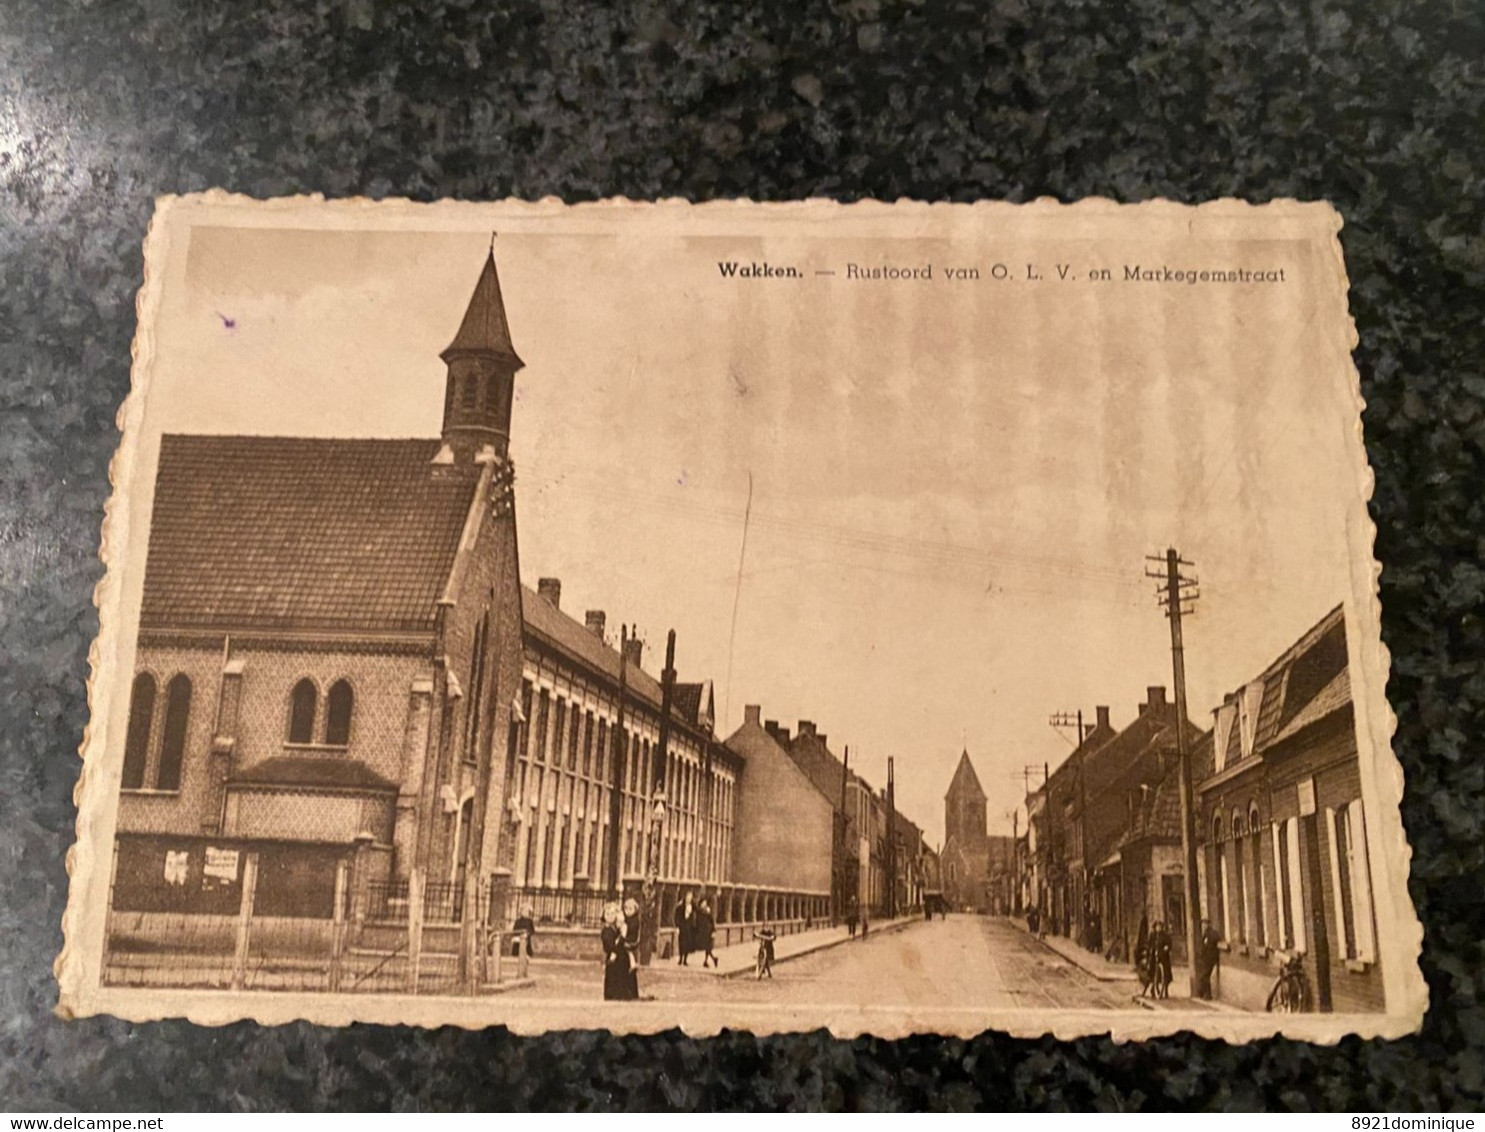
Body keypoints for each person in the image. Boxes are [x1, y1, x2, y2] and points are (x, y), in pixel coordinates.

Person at [600, 902, 635, 1001]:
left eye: (612, 913)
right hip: (614, 962)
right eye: (607, 914)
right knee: (613, 987)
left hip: (620, 962)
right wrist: (622, 937)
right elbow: (611, 947)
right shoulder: (606, 931)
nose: (610, 916)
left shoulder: (616, 928)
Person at [1195, 918, 1222, 1000]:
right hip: (1205, 958)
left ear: (1208, 924)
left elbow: (1216, 940)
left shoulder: (1212, 933)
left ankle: (1207, 994)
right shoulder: (1204, 934)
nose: (1203, 926)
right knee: (1204, 976)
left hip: (1210, 958)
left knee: (1205, 976)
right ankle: (1204, 993)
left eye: (1205, 924)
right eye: (1202, 924)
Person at [622, 897, 643, 999]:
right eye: (626, 909)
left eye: (630, 909)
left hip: (631, 944)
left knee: (631, 969)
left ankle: (632, 992)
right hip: (627, 943)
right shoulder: (625, 920)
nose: (628, 911)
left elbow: (633, 933)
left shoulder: (634, 921)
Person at [1150, 920, 1173, 999]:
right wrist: (1152, 950)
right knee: (1153, 973)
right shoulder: (1153, 935)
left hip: (1163, 957)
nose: (1158, 928)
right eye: (1157, 927)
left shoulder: (1165, 935)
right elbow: (1150, 944)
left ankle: (1166, 991)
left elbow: (1169, 944)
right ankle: (1153, 989)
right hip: (1154, 957)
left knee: (1166, 973)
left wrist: (1167, 947)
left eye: (1159, 926)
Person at [674, 890, 697, 966]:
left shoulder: (692, 906)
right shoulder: (680, 906)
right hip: (682, 927)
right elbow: (677, 916)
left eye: (690, 897)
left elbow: (697, 910)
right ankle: (680, 959)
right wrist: (677, 926)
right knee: (681, 943)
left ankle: (685, 960)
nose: (688, 898)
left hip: (689, 928)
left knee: (687, 944)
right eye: (688, 897)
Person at [695, 897, 718, 968]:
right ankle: (711, 960)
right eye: (703, 903)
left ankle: (710, 960)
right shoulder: (699, 911)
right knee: (707, 947)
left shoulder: (708, 911)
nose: (704, 904)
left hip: (708, 931)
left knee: (708, 947)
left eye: (705, 903)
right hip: (702, 932)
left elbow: (712, 921)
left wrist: (713, 931)